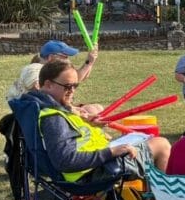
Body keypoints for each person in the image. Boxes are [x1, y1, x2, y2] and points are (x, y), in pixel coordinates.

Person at [18, 60, 171, 183]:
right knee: (161, 144)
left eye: (75, 86)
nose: (72, 91)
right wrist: (112, 152)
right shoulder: (53, 118)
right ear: (47, 84)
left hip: (95, 165)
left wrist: (87, 121)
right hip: (92, 174)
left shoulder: (45, 106)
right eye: (67, 87)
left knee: (144, 140)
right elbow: (65, 161)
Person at [0, 62, 43, 200]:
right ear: (38, 85)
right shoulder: (42, 111)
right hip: (53, 162)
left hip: (33, 161)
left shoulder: (24, 107)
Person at [37, 40, 102, 115]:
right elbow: (77, 79)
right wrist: (89, 62)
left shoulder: (49, 70)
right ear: (51, 57)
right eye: (64, 57)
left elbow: (80, 78)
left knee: (97, 108)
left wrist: (90, 62)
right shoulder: (36, 71)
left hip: (62, 106)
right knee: (92, 111)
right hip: (56, 109)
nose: (68, 60)